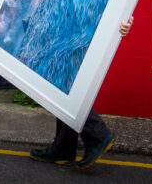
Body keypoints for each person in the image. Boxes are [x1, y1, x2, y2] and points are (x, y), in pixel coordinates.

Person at [30, 17, 134, 169]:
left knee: (64, 86)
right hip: (75, 28)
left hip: (84, 31)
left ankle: (98, 135)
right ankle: (63, 148)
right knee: (65, 86)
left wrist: (126, 20)